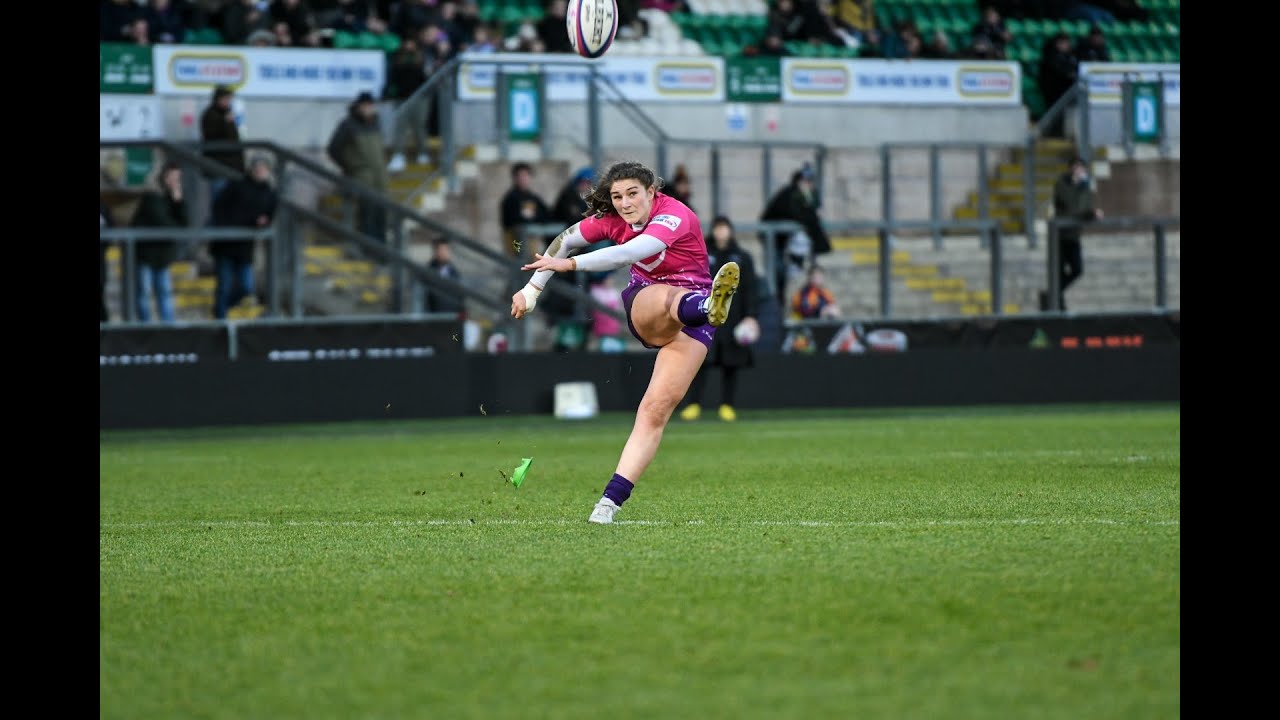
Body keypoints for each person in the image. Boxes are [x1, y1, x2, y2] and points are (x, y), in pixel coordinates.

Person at [509, 160, 742, 524]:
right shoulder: (612, 219)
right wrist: (531, 291)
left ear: (653, 192)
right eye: (617, 196)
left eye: (633, 193)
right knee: (667, 297)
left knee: (654, 411)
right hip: (648, 303)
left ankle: (609, 503)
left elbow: (629, 253)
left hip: (694, 319)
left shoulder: (675, 214)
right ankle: (707, 305)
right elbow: (565, 240)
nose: (624, 203)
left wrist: (571, 267)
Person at [678, 215, 760, 423]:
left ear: (730, 230)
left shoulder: (742, 257)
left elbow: (751, 288)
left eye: (724, 228)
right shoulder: (703, 254)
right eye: (718, 228)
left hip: (734, 319)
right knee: (699, 362)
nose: (721, 232)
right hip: (705, 316)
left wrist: (751, 316)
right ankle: (693, 405)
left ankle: (727, 406)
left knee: (731, 364)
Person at [209, 155, 278, 319]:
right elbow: (219, 207)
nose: (260, 171)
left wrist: (263, 222)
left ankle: (222, 307)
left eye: (263, 168)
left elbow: (269, 216)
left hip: (245, 246)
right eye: (257, 168)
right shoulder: (237, 186)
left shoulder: (270, 193)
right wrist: (225, 227)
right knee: (224, 285)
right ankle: (220, 319)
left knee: (246, 287)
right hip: (226, 243)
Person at [760, 163, 831, 302]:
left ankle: (781, 300)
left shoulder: (808, 195)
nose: (808, 185)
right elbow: (797, 214)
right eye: (805, 181)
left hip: (786, 241)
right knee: (777, 274)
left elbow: (812, 214)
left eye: (810, 181)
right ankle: (777, 302)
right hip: (775, 239)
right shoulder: (790, 194)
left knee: (786, 273)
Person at [326, 91, 390, 245]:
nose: (368, 109)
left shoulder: (376, 123)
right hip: (362, 177)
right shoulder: (348, 125)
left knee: (381, 214)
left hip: (379, 177)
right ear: (358, 106)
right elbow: (333, 149)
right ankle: (368, 248)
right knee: (366, 214)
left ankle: (381, 249)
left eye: (371, 106)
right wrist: (350, 166)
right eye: (365, 106)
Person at [129, 162, 188, 323]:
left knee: (165, 292)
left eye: (177, 178)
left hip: (163, 255)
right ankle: (145, 327)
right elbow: (163, 223)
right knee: (144, 293)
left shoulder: (174, 198)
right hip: (146, 253)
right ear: (163, 176)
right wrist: (177, 229)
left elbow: (186, 224)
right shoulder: (152, 196)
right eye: (171, 177)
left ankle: (168, 327)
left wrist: (179, 202)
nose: (173, 181)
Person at [1042, 156, 1102, 311]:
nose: (1079, 171)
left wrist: (1093, 213)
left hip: (1073, 235)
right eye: (1076, 168)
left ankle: (1051, 295)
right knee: (1059, 272)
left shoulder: (1085, 187)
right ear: (1070, 169)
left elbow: (1084, 209)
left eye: (1081, 168)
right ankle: (1058, 305)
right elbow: (1071, 206)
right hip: (1059, 236)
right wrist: (1077, 186)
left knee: (1077, 269)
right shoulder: (1062, 184)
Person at [385, 35, 430, 173]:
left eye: (411, 42)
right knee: (400, 127)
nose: (409, 45)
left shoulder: (422, 58)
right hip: (402, 97)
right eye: (407, 42)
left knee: (419, 126)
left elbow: (426, 78)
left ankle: (423, 152)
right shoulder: (397, 59)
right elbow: (392, 78)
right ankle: (398, 154)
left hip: (419, 97)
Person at [199, 85, 245, 211]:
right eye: (225, 98)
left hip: (232, 169)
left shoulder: (228, 114)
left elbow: (234, 140)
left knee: (231, 206)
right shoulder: (211, 115)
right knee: (219, 205)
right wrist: (225, 123)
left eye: (229, 99)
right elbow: (215, 138)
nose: (228, 102)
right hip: (219, 169)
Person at [499, 161, 552, 258]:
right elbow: (513, 221)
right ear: (514, 178)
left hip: (532, 240)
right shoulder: (510, 199)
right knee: (520, 261)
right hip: (515, 241)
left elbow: (546, 214)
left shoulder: (533, 197)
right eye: (520, 176)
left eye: (526, 175)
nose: (523, 179)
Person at [423, 239, 464, 315]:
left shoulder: (454, 272)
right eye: (440, 250)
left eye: (446, 250)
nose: (443, 253)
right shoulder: (428, 270)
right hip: (435, 315)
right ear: (435, 252)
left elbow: (460, 296)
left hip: (452, 315)